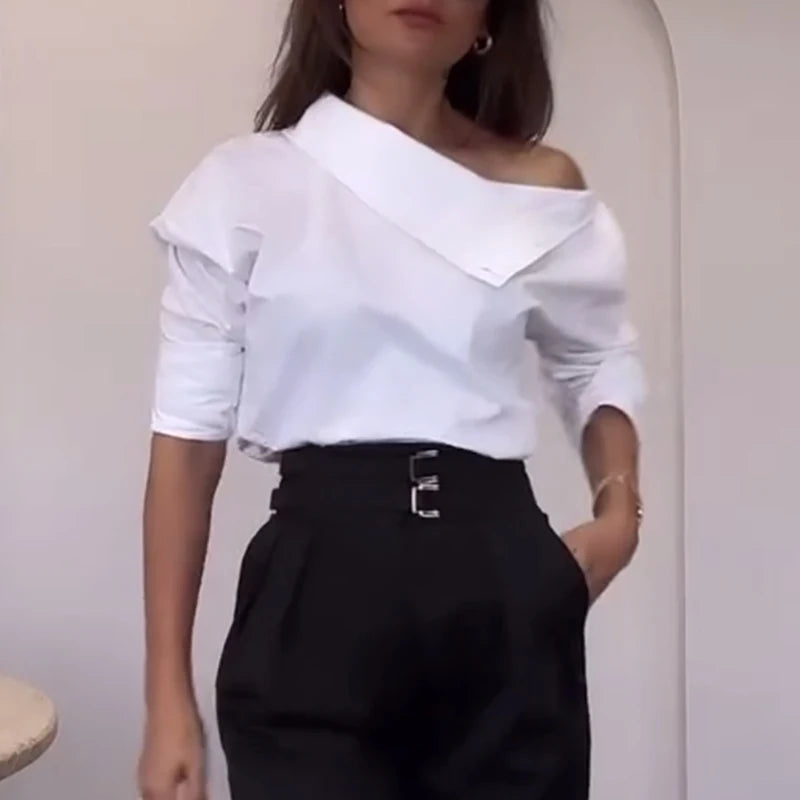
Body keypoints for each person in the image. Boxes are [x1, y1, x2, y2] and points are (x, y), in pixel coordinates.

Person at [137, 1, 646, 798]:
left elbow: (595, 357)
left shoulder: (541, 187)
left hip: (502, 582)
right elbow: (186, 442)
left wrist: (620, 514)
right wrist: (167, 693)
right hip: (318, 584)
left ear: (489, 16)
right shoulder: (242, 185)